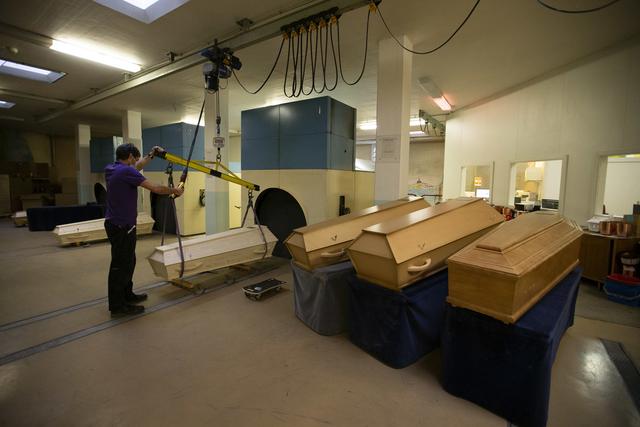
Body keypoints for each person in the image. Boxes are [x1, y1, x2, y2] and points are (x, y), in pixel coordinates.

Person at [104, 143, 183, 316]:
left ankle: (127, 294)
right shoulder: (127, 172)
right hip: (121, 225)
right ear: (131, 156)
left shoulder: (112, 168)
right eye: (135, 159)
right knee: (120, 265)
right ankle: (118, 306)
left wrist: (150, 156)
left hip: (117, 224)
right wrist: (174, 190)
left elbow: (135, 168)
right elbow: (155, 188)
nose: (136, 162)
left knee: (128, 261)